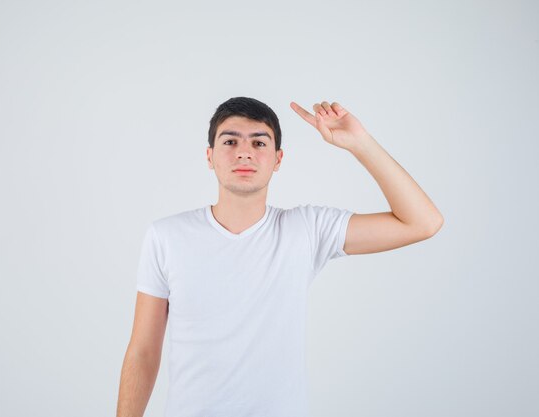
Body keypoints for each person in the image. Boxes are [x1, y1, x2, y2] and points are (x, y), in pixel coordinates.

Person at [116, 97, 444, 417]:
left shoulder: (306, 229)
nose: (244, 151)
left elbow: (423, 222)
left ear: (278, 159)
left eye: (259, 143)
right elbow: (143, 352)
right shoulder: (167, 236)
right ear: (210, 156)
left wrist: (361, 143)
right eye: (230, 141)